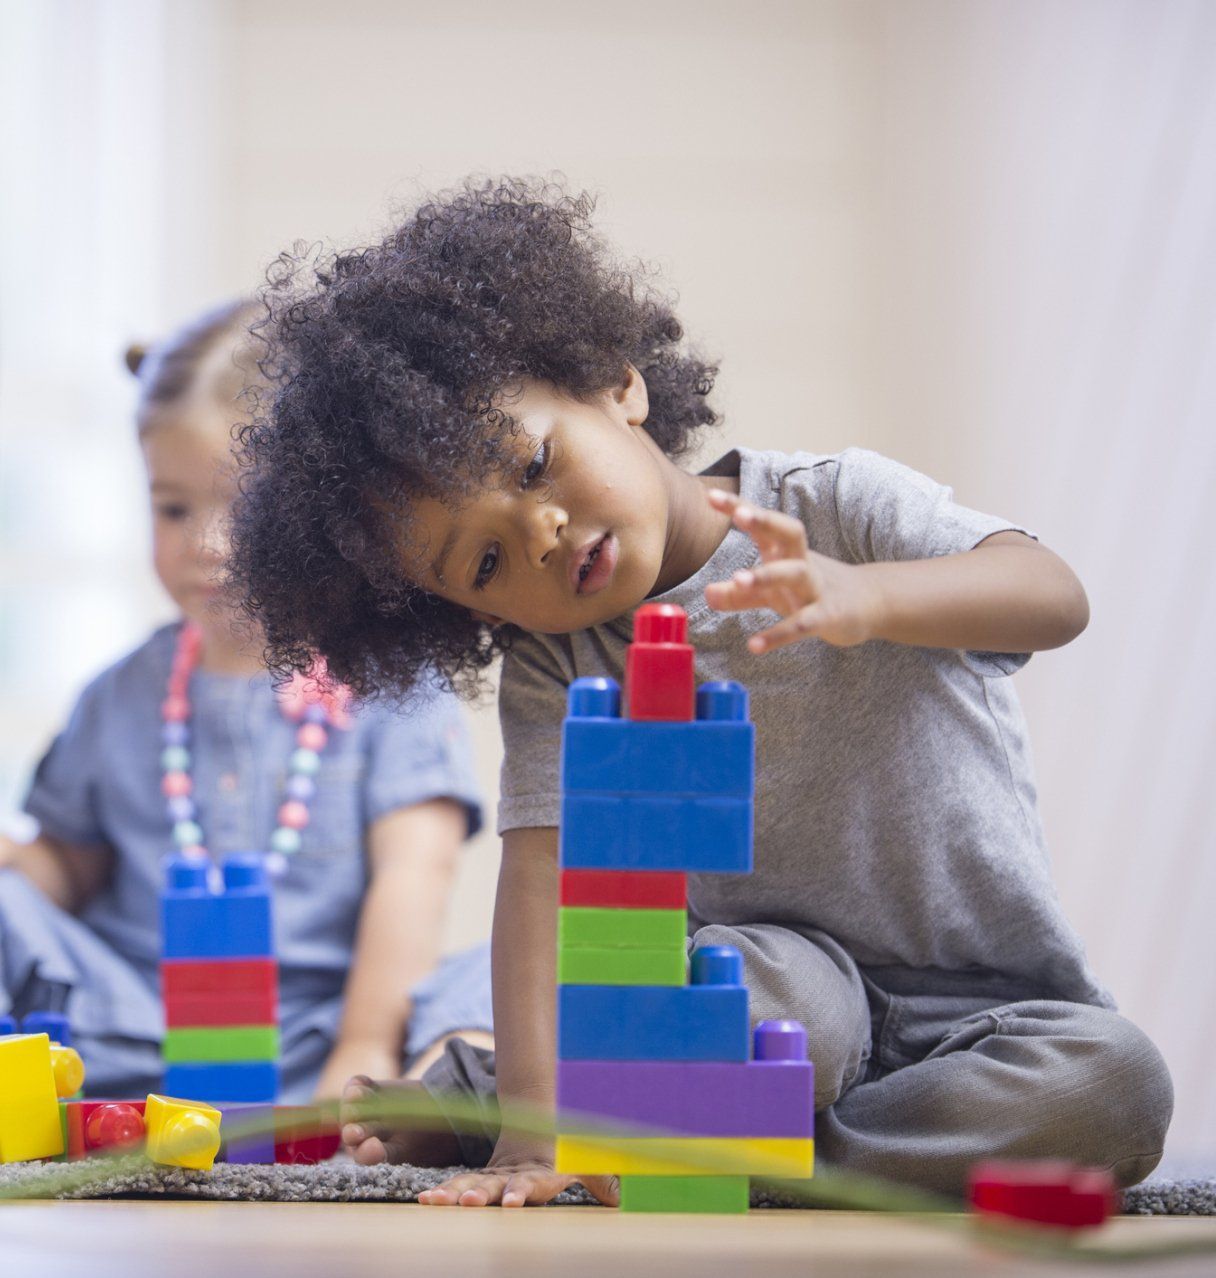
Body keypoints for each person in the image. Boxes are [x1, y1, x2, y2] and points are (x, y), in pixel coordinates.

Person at [227, 178, 1173, 1202]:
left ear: (615, 384)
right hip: (762, 988)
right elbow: (540, 878)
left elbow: (1052, 594)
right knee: (772, 1008)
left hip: (982, 1012)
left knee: (1112, 1086)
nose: (537, 533)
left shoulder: (835, 510)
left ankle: (735, 1156)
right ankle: (580, 1116)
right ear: (465, 614)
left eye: (536, 464)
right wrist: (540, 1139)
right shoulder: (561, 659)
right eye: (486, 564)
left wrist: (870, 596)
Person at [0, 300, 492, 1104]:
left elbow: (416, 871)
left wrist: (362, 1045)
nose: (208, 543)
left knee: (519, 961)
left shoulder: (392, 682)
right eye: (173, 508)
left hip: (320, 1035)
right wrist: (21, 866)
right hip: (133, 1030)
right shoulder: (121, 694)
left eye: (245, 507)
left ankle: (408, 1095)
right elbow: (71, 868)